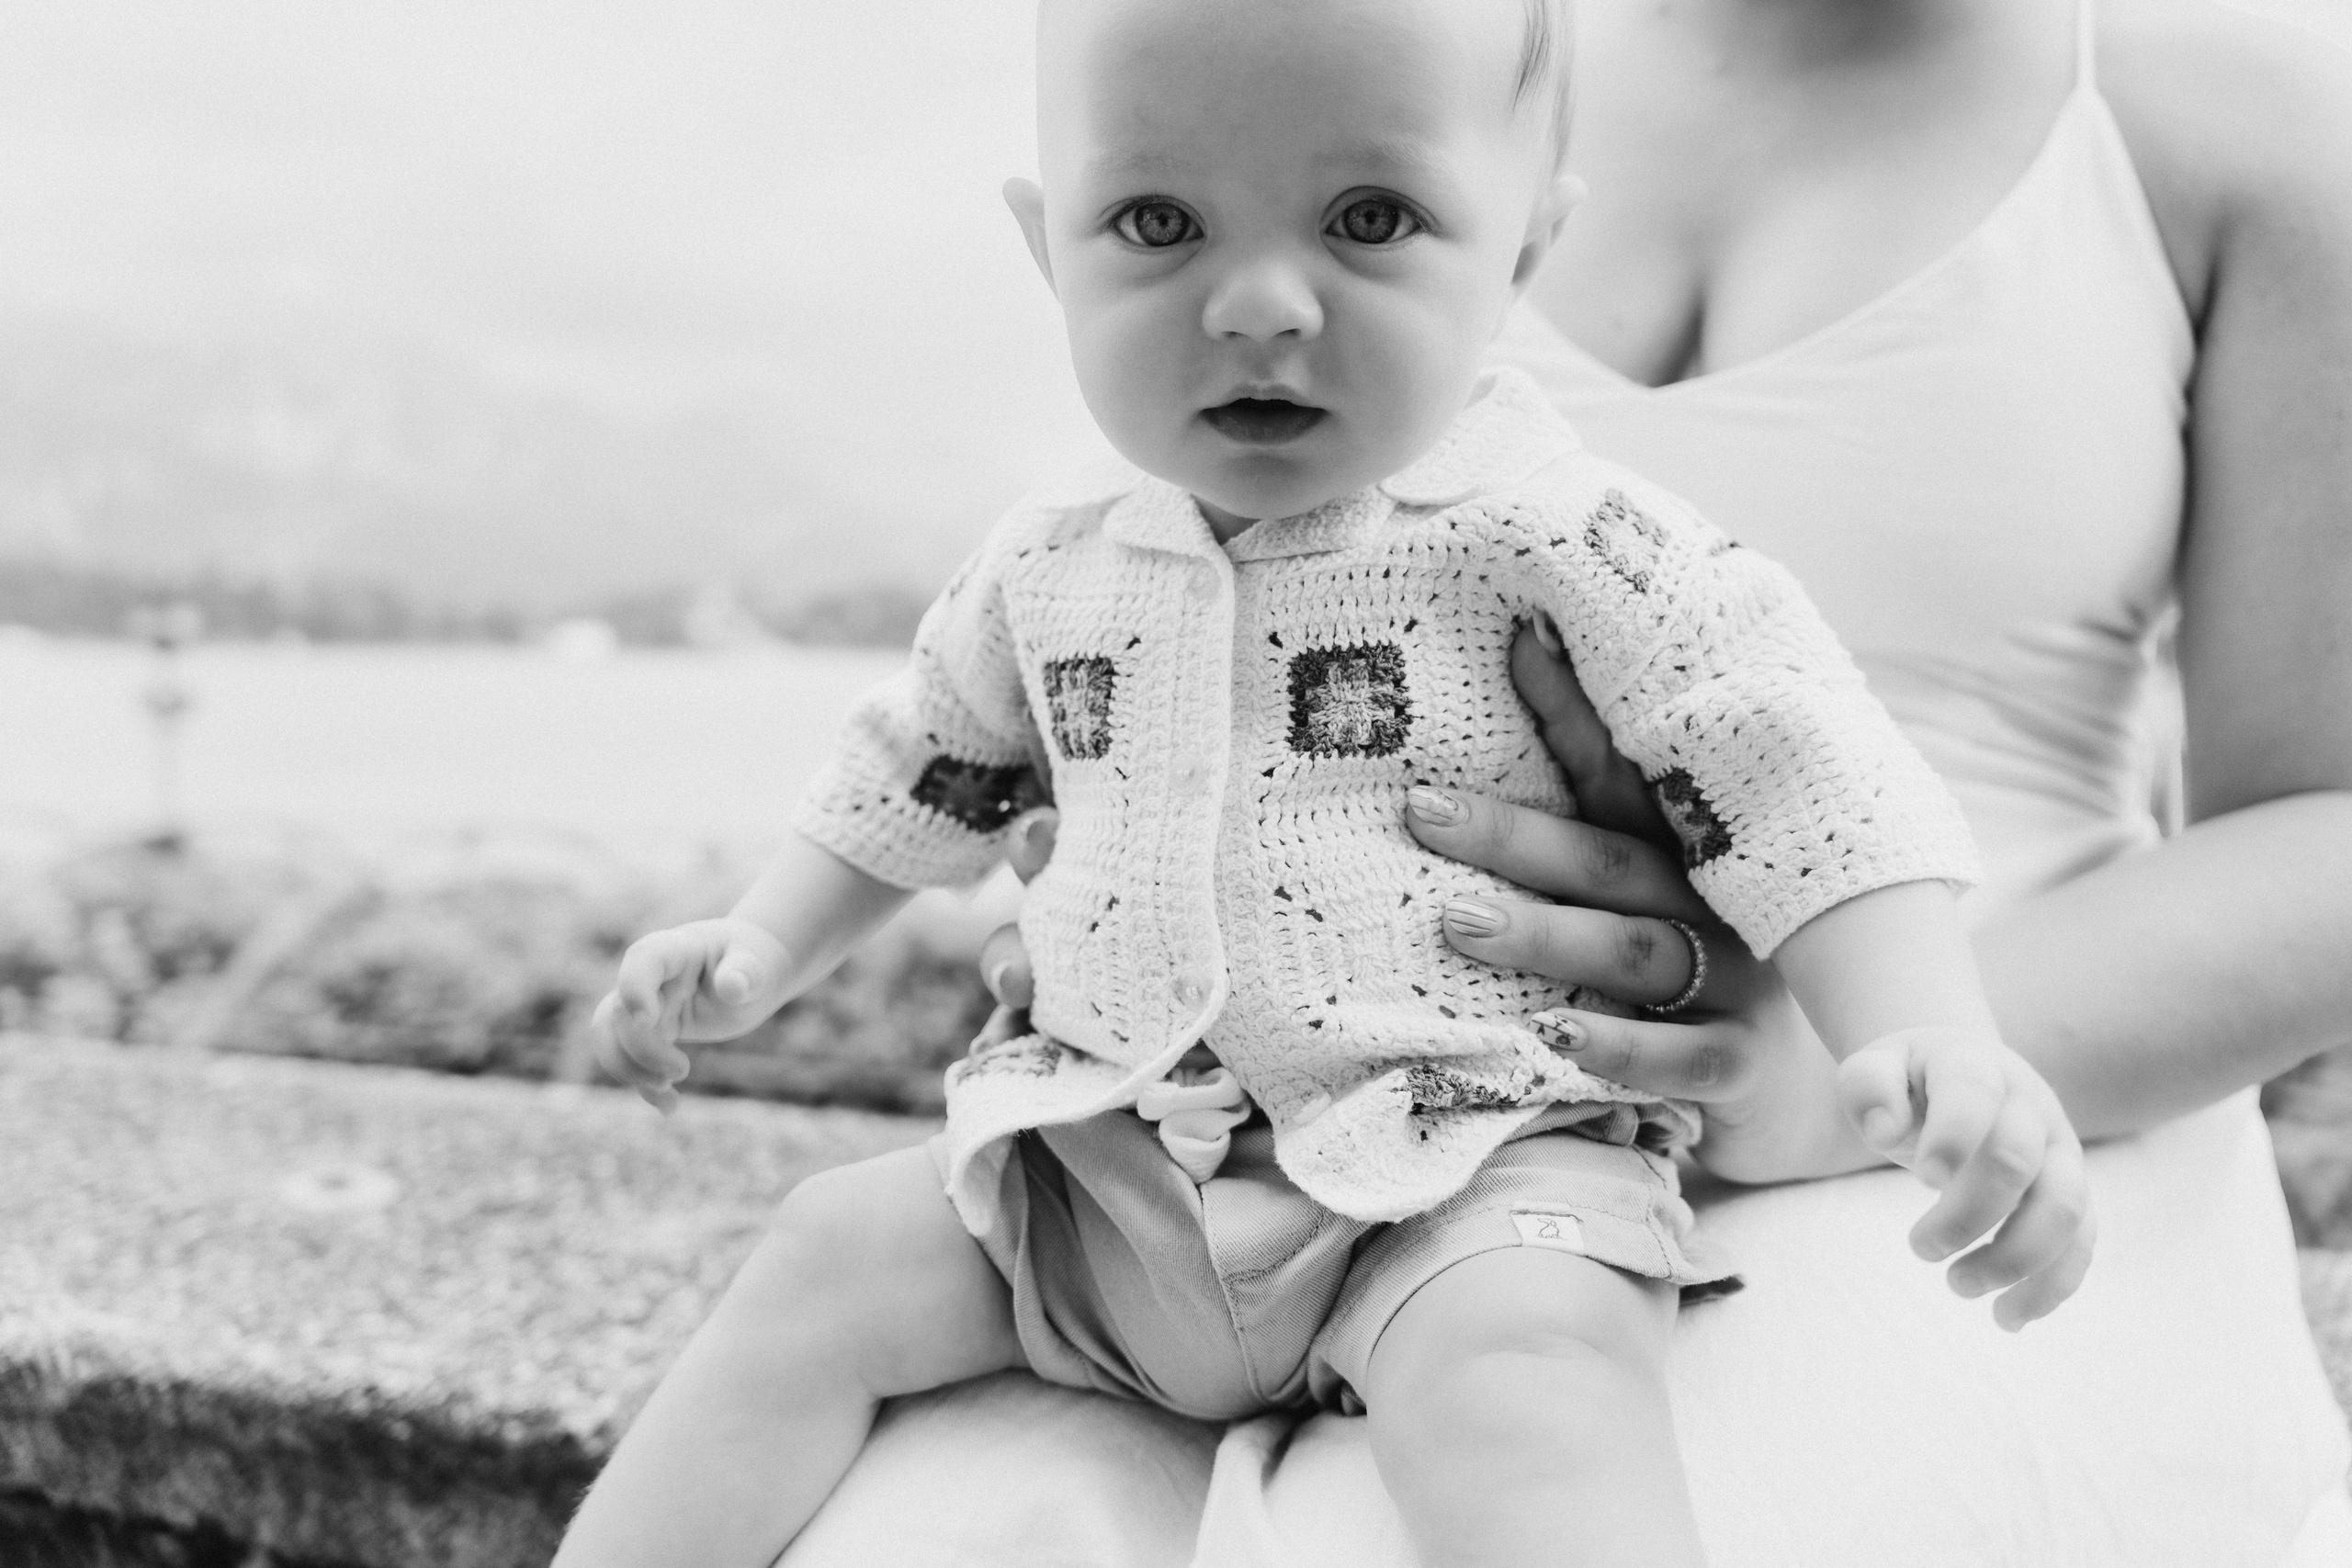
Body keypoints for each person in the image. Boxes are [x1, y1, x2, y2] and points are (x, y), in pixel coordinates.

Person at [775, 0, 2352, 1564]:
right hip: (1274, 1146)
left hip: (1951, 1151)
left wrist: (1821, 1067)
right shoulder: (1391, 51)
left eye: (1376, 224)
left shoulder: (2238, 122)